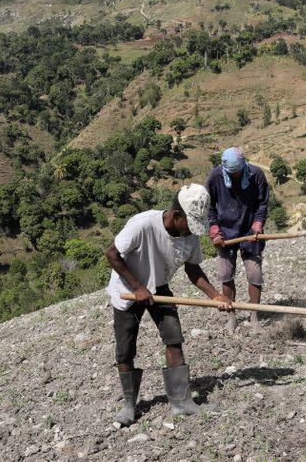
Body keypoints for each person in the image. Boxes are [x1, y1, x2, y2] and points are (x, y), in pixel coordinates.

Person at [105, 184, 232, 426]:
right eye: (188, 225)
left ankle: (181, 402)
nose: (191, 232)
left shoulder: (190, 235)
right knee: (125, 348)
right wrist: (137, 287)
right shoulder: (143, 224)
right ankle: (130, 405)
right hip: (127, 290)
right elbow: (112, 254)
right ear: (176, 216)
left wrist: (215, 295)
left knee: (174, 338)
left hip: (159, 286)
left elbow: (192, 269)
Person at [207, 147, 269, 332]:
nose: (235, 176)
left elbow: (262, 203)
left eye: (238, 172)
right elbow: (209, 206)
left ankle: (254, 315)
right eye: (231, 173)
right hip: (225, 233)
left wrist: (258, 223)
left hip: (250, 232)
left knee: (255, 274)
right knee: (226, 276)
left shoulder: (256, 175)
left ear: (244, 166)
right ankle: (231, 315)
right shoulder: (216, 176)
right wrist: (215, 230)